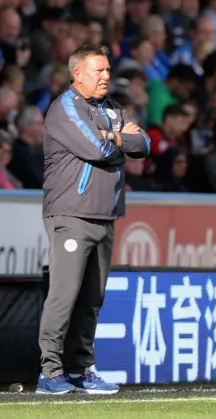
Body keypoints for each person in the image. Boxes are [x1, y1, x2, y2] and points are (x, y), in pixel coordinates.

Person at [38, 45, 151, 395]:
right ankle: (50, 371)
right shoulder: (66, 107)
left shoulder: (112, 108)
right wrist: (118, 141)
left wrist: (113, 135)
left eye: (107, 69)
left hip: (105, 214)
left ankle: (80, 369)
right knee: (64, 294)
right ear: (78, 75)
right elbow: (97, 150)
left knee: (91, 298)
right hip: (72, 213)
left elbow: (144, 143)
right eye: (98, 70)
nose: (105, 76)